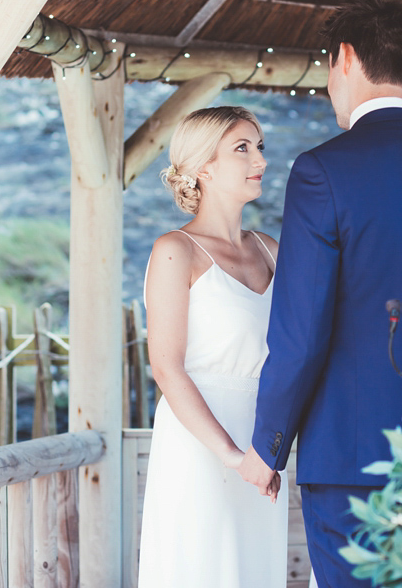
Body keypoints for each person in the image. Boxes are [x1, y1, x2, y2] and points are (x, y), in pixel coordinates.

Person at [237, 0, 402, 587]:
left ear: (347, 58)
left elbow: (301, 329)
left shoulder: (321, 171)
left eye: (329, 67)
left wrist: (268, 445)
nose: (329, 84)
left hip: (351, 459)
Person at [138, 106, 288, 587]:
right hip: (202, 442)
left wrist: (265, 449)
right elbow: (165, 367)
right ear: (203, 166)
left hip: (264, 440)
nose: (259, 158)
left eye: (259, 146)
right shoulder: (173, 250)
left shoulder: (270, 248)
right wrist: (230, 454)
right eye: (242, 148)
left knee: (255, 569)